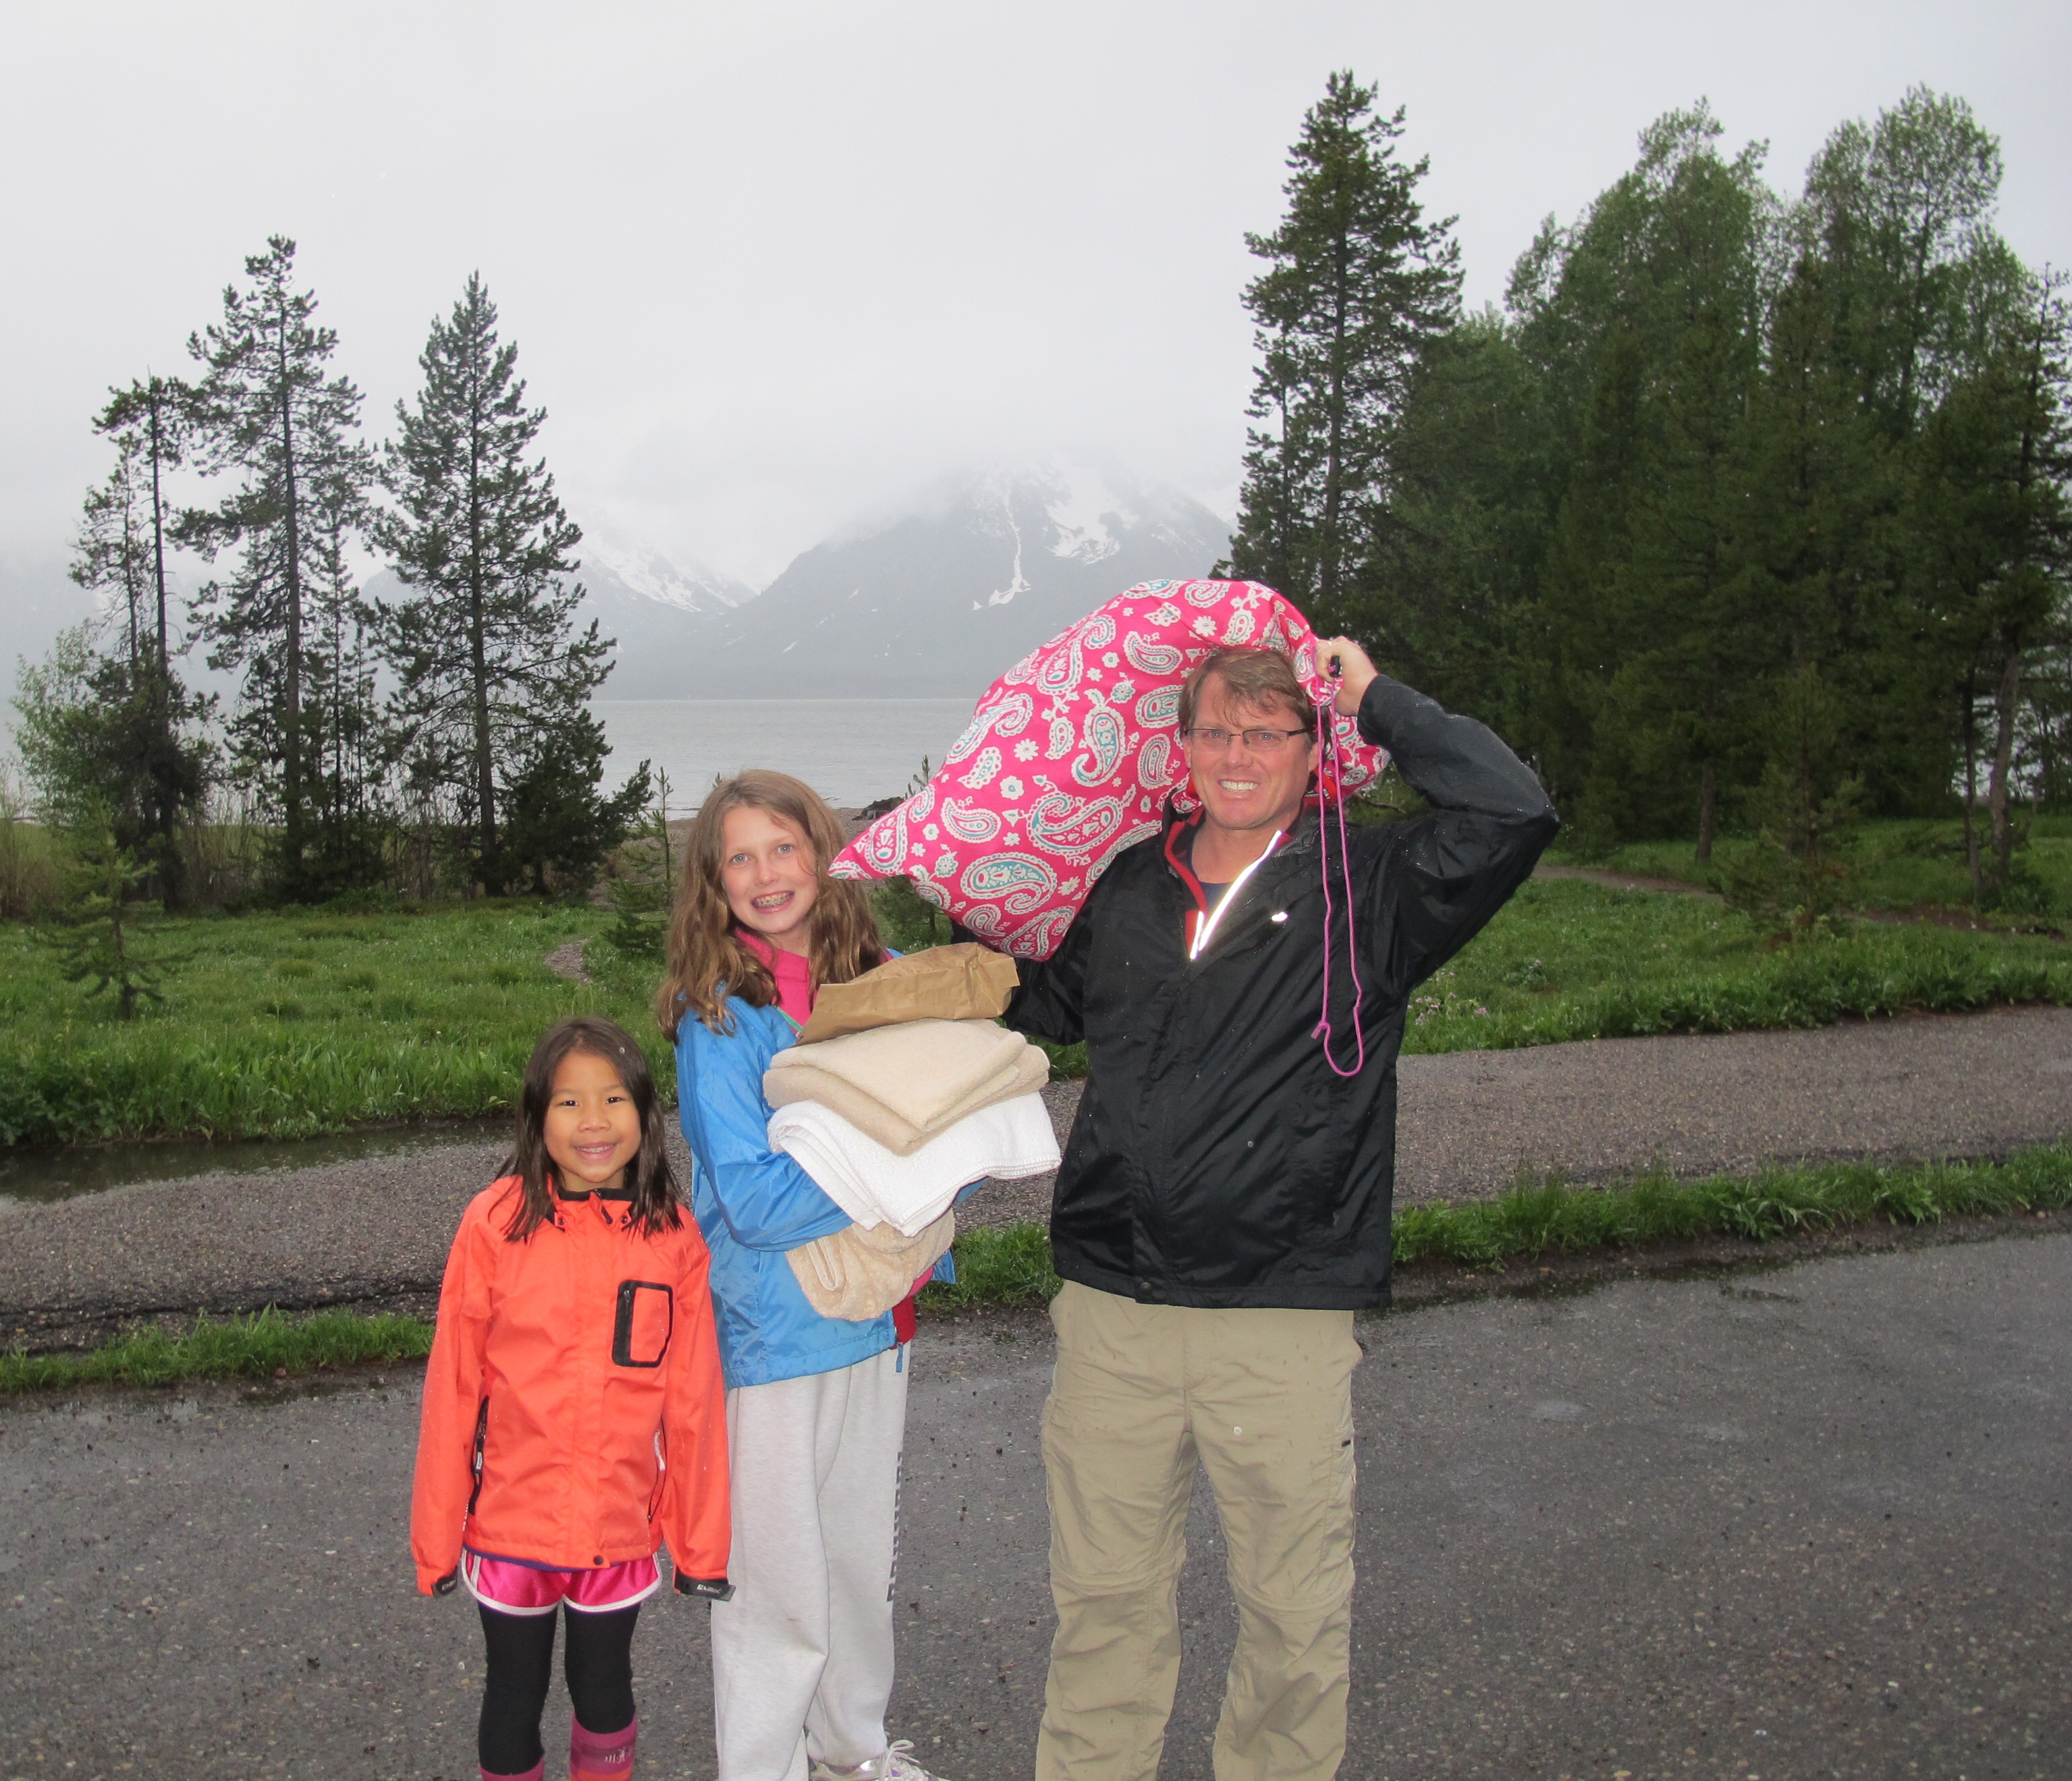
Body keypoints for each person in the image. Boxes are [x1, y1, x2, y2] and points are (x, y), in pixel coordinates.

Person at [1002, 639, 1558, 1781]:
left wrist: (1377, 698)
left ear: (1313, 750)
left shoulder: (1373, 888)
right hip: (1113, 1306)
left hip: (1282, 1310)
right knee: (1103, 1606)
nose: (1238, 754)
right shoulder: (1132, 884)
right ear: (1183, 748)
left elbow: (1512, 811)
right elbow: (1044, 1003)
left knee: (1292, 1622)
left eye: (1267, 731)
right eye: (1216, 730)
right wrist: (943, 916)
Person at [657, 770, 954, 1781]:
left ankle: (852, 1753)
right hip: (776, 1332)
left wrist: (930, 1157)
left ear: (825, 855)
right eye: (738, 857)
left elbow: (957, 1119)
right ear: (714, 885)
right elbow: (751, 1198)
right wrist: (894, 1166)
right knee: (777, 1581)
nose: (766, 873)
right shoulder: (717, 1018)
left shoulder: (888, 980)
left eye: (783, 846)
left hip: (879, 1314)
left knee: (857, 1562)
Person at [412, 1016, 731, 1781]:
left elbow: (694, 1403)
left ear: (646, 1114)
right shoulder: (494, 1224)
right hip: (511, 1528)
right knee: (512, 1693)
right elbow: (453, 1389)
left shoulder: (673, 1238)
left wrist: (700, 1547)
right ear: (536, 1117)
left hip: (615, 1528)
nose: (594, 1122)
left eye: (614, 1099)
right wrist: (437, 1538)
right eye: (569, 1103)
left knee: (605, 1687)